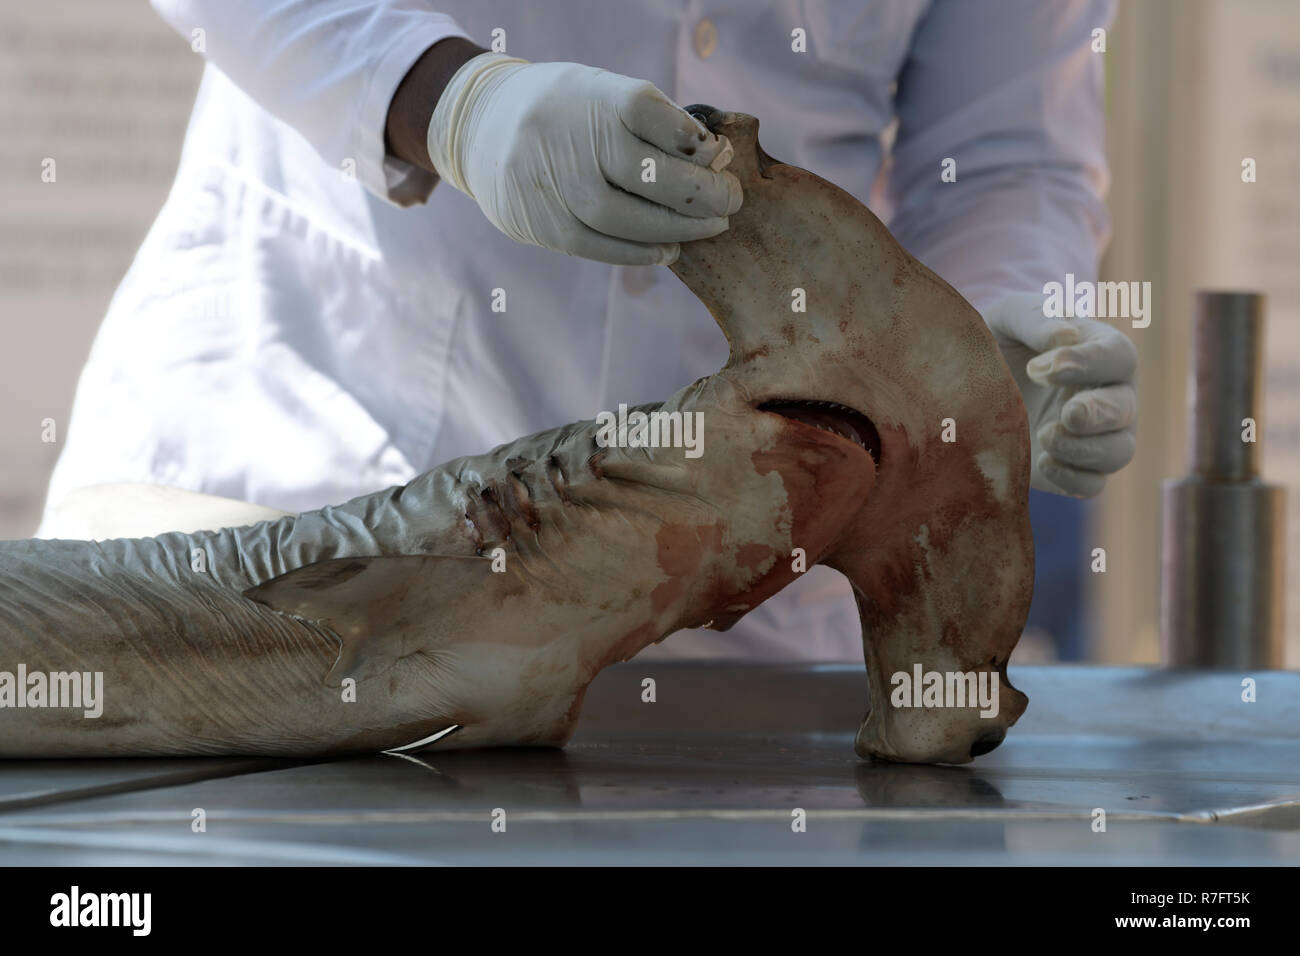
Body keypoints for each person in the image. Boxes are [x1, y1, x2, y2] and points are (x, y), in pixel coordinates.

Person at [39, 0, 1136, 662]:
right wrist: (449, 102)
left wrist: (985, 323)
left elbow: (1006, 151)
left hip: (745, 598)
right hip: (316, 448)